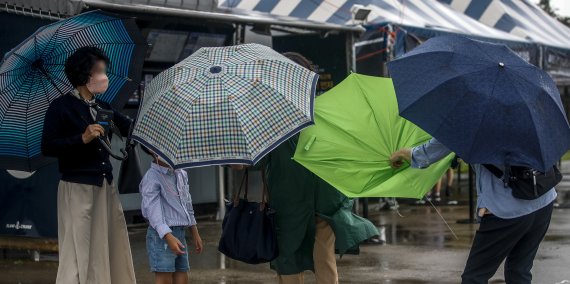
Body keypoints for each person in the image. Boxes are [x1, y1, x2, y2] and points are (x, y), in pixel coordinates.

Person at [253, 52, 379, 284]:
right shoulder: (320, 111)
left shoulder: (271, 119)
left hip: (308, 205)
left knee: (299, 262)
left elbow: (257, 162)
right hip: (310, 203)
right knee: (314, 262)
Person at [390, 138, 556, 284]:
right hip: (543, 197)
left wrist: (407, 154)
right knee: (519, 271)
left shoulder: (473, 113)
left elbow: (434, 149)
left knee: (474, 277)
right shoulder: (523, 111)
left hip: (506, 207)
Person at [41, 46, 136, 283]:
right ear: (85, 75)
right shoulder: (60, 107)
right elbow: (48, 146)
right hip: (77, 186)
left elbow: (131, 128)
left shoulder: (103, 106)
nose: (104, 75)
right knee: (78, 247)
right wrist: (81, 138)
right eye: (99, 70)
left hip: (105, 185)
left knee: (109, 243)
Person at [139, 147, 203, 284]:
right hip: (160, 236)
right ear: (153, 151)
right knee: (164, 277)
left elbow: (187, 203)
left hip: (180, 232)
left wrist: (194, 230)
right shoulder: (152, 177)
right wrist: (168, 236)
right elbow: (153, 212)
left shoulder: (181, 173)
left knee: (182, 273)